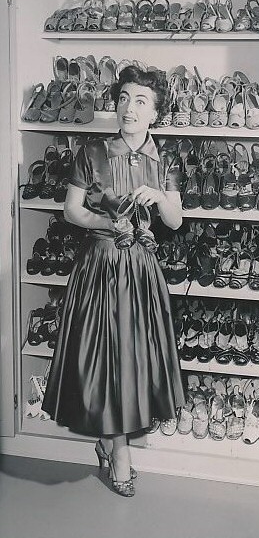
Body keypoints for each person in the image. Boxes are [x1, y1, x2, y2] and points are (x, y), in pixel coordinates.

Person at [42, 65, 186, 497]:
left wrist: (160, 197)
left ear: (155, 113)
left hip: (141, 270)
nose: (129, 107)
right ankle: (119, 453)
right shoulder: (93, 152)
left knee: (130, 360)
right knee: (106, 360)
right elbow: (72, 211)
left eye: (140, 100)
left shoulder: (168, 159)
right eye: (123, 98)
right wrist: (109, 221)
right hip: (101, 265)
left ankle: (110, 441)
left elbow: (176, 222)